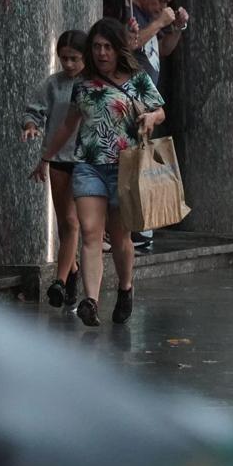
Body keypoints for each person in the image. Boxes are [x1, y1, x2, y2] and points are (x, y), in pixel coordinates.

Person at [41, 18, 165, 327]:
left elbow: (160, 109)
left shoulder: (136, 78)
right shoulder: (82, 83)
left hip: (125, 168)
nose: (101, 53)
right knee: (90, 233)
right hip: (88, 165)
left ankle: (125, 288)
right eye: (96, 47)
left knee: (121, 237)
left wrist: (150, 118)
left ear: (117, 48)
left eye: (107, 46)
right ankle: (91, 301)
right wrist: (45, 156)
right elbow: (70, 122)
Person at [126, 0, 191, 252]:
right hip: (130, 98)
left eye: (169, 1)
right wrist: (159, 22)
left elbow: (163, 50)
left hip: (149, 98)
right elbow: (129, 44)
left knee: (144, 162)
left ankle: (144, 229)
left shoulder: (152, 18)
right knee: (131, 162)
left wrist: (175, 27)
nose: (165, 4)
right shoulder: (129, 13)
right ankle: (133, 230)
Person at [25, 30, 87, 307]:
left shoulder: (93, 85)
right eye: (64, 58)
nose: (69, 64)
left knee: (73, 223)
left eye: (74, 58)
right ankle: (72, 272)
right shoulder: (53, 84)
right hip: (58, 159)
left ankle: (59, 281)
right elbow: (34, 111)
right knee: (64, 224)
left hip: (86, 159)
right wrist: (31, 127)